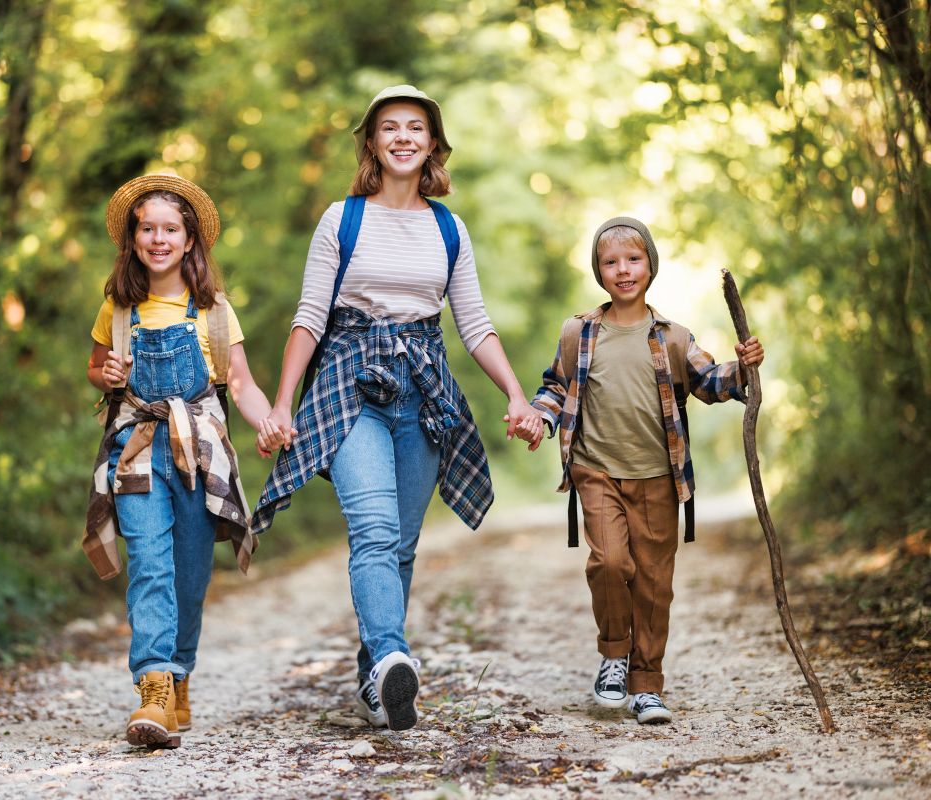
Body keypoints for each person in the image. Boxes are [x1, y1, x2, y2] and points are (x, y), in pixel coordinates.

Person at [251, 85, 538, 732]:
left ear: (433, 143)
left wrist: (516, 395)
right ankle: (389, 655)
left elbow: (475, 324)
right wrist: (280, 404)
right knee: (374, 529)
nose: (403, 137)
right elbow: (307, 318)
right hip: (349, 386)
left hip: (424, 390)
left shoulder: (448, 227)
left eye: (416, 127)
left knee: (402, 545)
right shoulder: (341, 219)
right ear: (373, 143)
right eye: (389, 127)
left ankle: (375, 677)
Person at [521, 216, 764, 724]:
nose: (623, 270)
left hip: (658, 474)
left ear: (650, 265)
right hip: (596, 468)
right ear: (598, 271)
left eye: (633, 259)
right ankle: (614, 655)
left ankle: (646, 683)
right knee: (609, 563)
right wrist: (535, 417)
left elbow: (710, 381)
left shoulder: (673, 337)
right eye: (610, 262)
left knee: (654, 581)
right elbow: (554, 387)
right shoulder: (579, 333)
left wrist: (744, 367)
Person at [84, 174, 283, 748]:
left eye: (170, 228)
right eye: (147, 228)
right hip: (138, 450)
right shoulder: (118, 308)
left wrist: (267, 421)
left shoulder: (214, 310)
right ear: (133, 238)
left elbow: (239, 383)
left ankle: (179, 672)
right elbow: (97, 368)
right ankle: (152, 689)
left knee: (189, 576)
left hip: (200, 454)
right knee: (149, 565)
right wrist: (109, 374)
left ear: (190, 240)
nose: (158, 238)